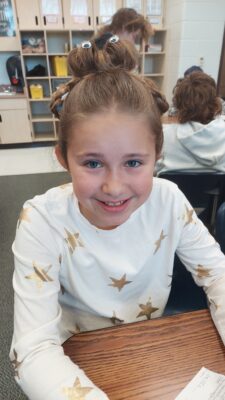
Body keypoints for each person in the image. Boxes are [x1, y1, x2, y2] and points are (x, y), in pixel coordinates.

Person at [10, 37, 225, 400]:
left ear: (157, 154)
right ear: (63, 158)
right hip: (72, 360)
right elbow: (31, 351)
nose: (113, 186)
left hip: (147, 354)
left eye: (133, 162)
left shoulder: (168, 199)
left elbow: (217, 274)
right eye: (93, 163)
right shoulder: (41, 220)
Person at [156, 71, 225, 174]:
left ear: (178, 104)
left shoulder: (165, 135)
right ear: (216, 103)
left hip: (175, 189)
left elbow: (154, 169)